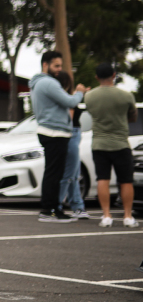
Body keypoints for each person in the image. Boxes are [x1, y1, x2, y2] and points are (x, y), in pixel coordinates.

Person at [29, 51, 89, 222]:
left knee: (53, 172)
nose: (59, 70)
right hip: (55, 133)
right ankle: (49, 210)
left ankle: (52, 209)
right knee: (54, 174)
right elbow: (70, 102)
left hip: (49, 132)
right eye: (56, 66)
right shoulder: (48, 83)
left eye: (60, 66)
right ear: (45, 65)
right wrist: (79, 92)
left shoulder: (38, 83)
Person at [84, 62, 138, 228]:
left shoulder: (90, 96)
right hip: (121, 143)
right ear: (114, 75)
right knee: (126, 180)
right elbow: (133, 117)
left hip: (99, 144)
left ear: (96, 77)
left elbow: (91, 113)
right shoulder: (126, 95)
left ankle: (106, 216)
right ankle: (128, 216)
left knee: (103, 179)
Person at [55, 72, 89, 218]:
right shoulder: (67, 99)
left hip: (74, 134)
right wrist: (78, 95)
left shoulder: (67, 97)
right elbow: (69, 117)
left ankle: (77, 206)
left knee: (74, 173)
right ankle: (58, 205)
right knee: (70, 173)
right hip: (70, 134)